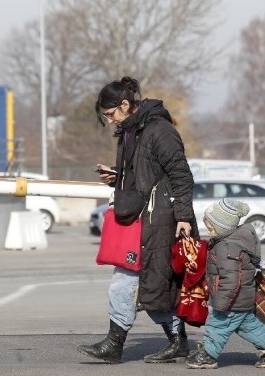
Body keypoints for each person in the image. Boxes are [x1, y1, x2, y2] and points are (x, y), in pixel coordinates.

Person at [77, 76, 198, 364]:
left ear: (125, 104)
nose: (109, 121)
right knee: (149, 284)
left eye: (110, 114)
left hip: (162, 221)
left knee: (134, 281)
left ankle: (115, 344)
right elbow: (144, 176)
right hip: (142, 218)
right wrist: (116, 177)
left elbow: (182, 176)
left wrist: (183, 216)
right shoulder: (131, 132)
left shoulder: (159, 131)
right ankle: (176, 341)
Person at [185, 198, 265, 369]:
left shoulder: (227, 247)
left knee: (217, 325)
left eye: (211, 227)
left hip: (231, 299)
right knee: (247, 326)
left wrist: (221, 303)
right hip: (241, 298)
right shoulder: (232, 240)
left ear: (223, 227)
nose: (208, 230)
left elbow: (232, 279)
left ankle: (209, 355)